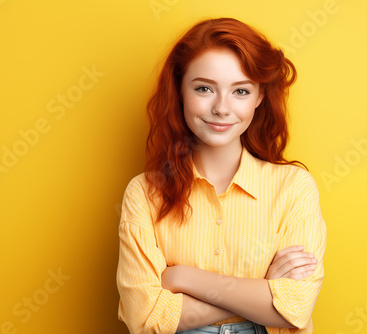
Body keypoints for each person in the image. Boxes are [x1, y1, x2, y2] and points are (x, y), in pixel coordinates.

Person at [116, 17, 327, 334]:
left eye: (240, 91)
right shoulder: (144, 192)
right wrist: (262, 293)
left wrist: (184, 278)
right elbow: (146, 319)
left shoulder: (294, 187)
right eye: (204, 88)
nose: (221, 108)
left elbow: (294, 309)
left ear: (259, 97)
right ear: (179, 91)